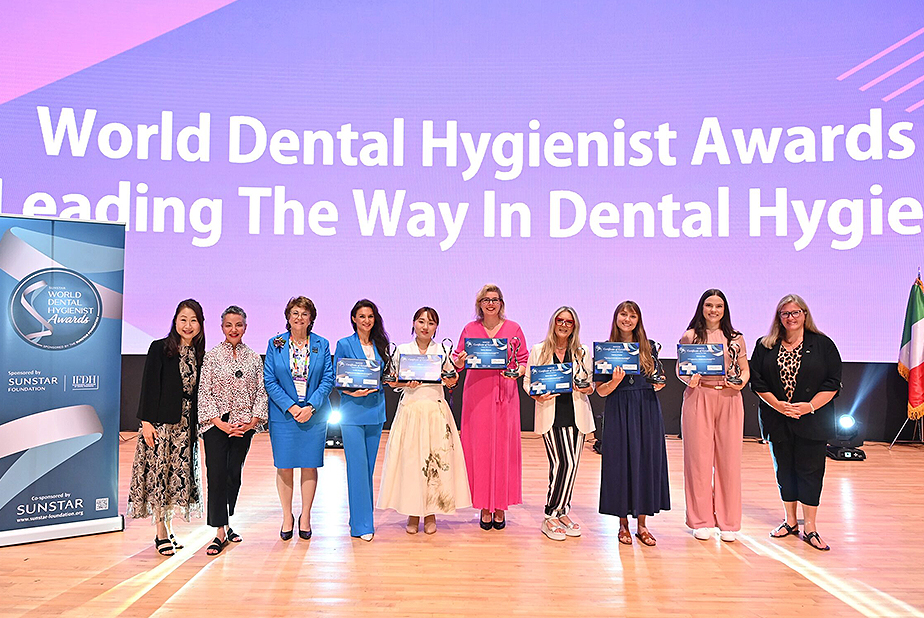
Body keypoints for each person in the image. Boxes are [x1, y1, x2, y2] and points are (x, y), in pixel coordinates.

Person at [749, 294, 842, 551]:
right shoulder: (765, 345)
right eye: (785, 313)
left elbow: (833, 382)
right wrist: (778, 405)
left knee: (811, 472)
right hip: (777, 419)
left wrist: (809, 406)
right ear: (779, 317)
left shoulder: (823, 344)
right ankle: (790, 521)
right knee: (784, 471)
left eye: (795, 312)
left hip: (813, 419)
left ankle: (810, 526)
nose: (791, 317)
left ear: (804, 314)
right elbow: (757, 382)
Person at [377, 307, 471, 534]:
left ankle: (430, 512)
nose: (425, 327)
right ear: (413, 323)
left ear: (436, 327)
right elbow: (392, 381)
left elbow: (451, 381)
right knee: (411, 463)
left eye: (430, 323)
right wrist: (404, 383)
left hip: (435, 412)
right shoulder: (402, 350)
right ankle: (412, 512)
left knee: (435, 463)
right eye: (421, 321)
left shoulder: (442, 351)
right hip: (410, 411)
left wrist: (456, 371)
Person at [128, 299, 206, 556]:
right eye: (183, 319)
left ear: (200, 324)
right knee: (160, 477)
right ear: (175, 321)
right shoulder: (159, 348)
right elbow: (149, 386)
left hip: (185, 427)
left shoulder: (200, 353)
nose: (188, 325)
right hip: (162, 425)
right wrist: (146, 423)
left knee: (175, 479)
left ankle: (169, 528)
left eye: (193, 320)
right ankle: (160, 532)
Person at [452, 284, 528, 530]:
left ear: (501, 303)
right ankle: (484, 505)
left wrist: (518, 372)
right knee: (480, 450)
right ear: (480, 304)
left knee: (504, 450)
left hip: (505, 395)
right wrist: (459, 361)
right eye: (486, 299)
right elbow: (458, 362)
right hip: (477, 396)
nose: (491, 303)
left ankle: (500, 505)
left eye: (495, 299)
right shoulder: (470, 329)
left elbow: (523, 360)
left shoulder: (514, 328)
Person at [678, 289, 749, 542]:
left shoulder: (736, 338)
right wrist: (689, 379)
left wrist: (740, 382)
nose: (713, 310)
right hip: (699, 397)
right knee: (698, 461)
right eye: (709, 305)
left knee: (729, 461)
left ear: (724, 309)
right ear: (702, 307)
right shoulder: (690, 336)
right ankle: (701, 520)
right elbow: (681, 369)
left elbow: (744, 370)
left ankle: (728, 521)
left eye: (719, 306)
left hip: (729, 399)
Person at [596, 301, 670, 546]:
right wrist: (615, 382)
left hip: (646, 409)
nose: (627, 319)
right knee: (620, 464)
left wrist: (659, 384)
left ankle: (643, 525)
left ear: (638, 320)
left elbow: (658, 379)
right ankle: (623, 524)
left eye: (632, 316)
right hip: (618, 409)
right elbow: (601, 391)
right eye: (623, 314)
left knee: (645, 462)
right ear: (616, 317)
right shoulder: (606, 349)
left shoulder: (649, 348)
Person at [197, 306, 268, 555]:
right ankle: (219, 531)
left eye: (238, 325)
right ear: (222, 328)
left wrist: (252, 422)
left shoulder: (254, 358)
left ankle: (227, 523)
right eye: (229, 325)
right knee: (216, 475)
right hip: (216, 425)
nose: (233, 329)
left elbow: (261, 391)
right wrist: (219, 423)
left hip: (243, 426)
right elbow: (204, 391)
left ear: (245, 327)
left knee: (233, 475)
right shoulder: (212, 357)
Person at [264, 296, 334, 541]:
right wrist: (292, 407)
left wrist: (311, 407)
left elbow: (327, 379)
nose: (299, 317)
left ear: (311, 318)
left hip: (313, 415)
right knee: (284, 465)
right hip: (284, 415)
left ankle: (305, 516)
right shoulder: (276, 344)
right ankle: (287, 516)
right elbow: (270, 381)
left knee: (309, 464)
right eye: (295, 313)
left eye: (304, 313)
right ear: (288, 316)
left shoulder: (322, 344)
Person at [523, 306, 595, 541]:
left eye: (569, 322)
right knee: (562, 463)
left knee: (571, 467)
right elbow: (528, 381)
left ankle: (562, 511)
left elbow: (590, 384)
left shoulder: (582, 351)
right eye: (560, 320)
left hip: (576, 416)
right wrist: (536, 395)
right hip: (551, 415)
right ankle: (550, 514)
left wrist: (587, 388)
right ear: (554, 323)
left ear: (574, 326)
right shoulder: (539, 350)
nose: (564, 325)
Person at [334, 299, 391, 541]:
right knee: (357, 468)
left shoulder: (381, 344)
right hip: (353, 412)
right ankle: (362, 526)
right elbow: (337, 377)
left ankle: (359, 518)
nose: (366, 320)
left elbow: (385, 376)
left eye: (370, 316)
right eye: (362, 316)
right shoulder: (344, 344)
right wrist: (351, 391)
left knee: (367, 470)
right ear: (354, 319)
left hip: (375, 412)